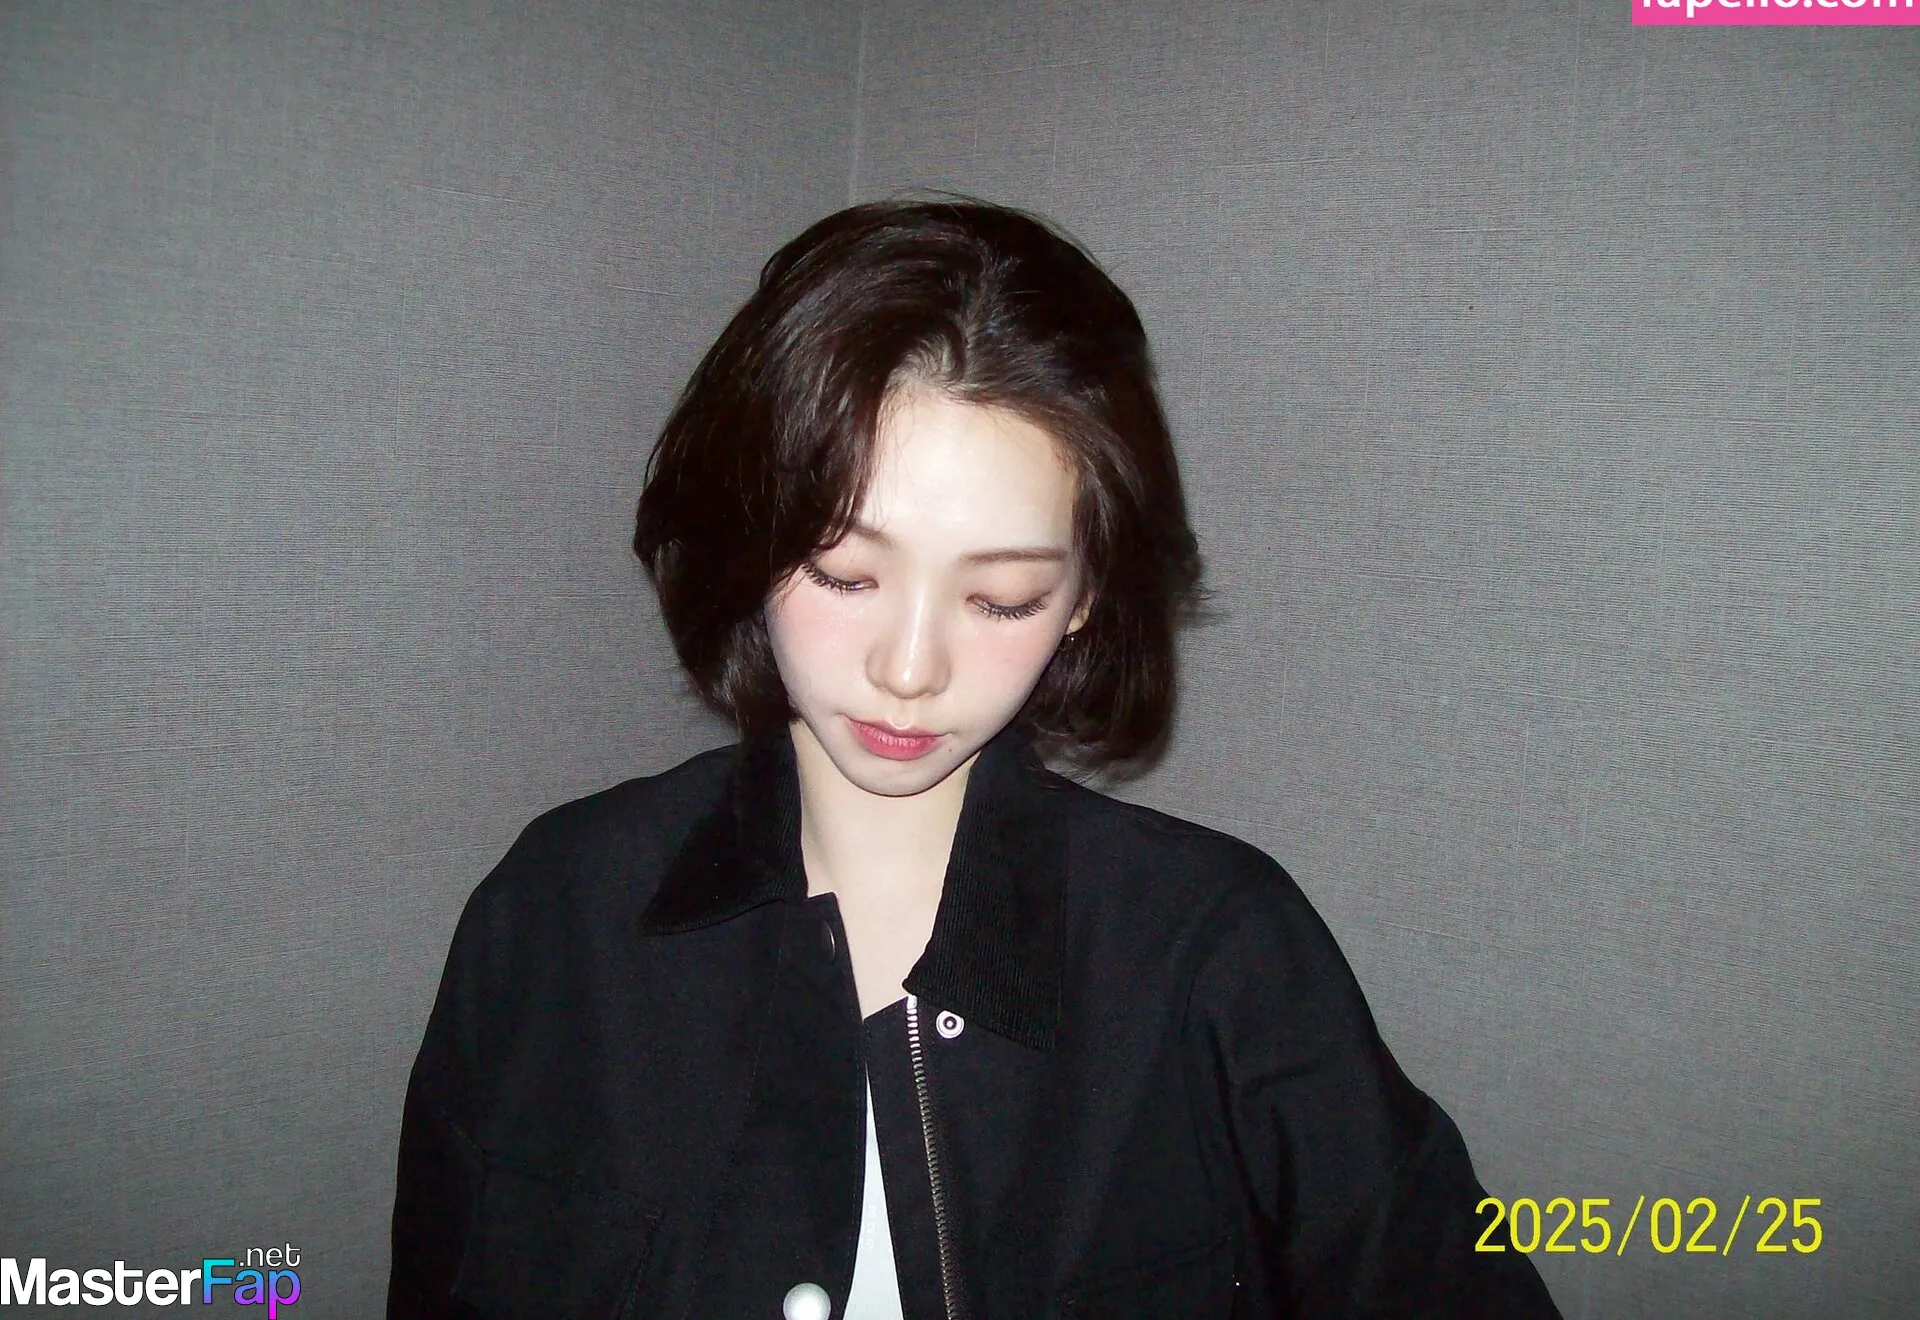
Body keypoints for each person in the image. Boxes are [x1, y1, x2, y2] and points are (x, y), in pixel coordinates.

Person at [386, 199, 1561, 1319]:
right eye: (845, 575)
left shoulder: (1220, 954)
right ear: (751, 540)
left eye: (1002, 598)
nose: (910, 669)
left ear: (1086, 596)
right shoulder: (554, 913)